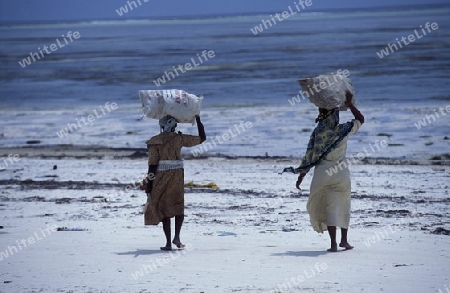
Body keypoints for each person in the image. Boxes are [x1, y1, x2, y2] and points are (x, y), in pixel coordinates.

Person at [282, 91, 364, 252]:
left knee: (328, 207)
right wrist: (350, 104)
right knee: (343, 204)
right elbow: (361, 119)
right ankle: (344, 241)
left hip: (322, 174)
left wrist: (301, 175)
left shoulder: (318, 133)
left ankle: (333, 244)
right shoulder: (343, 130)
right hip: (341, 173)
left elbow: (309, 156)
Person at [144, 114, 206, 251]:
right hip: (177, 174)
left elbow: (152, 165)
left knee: (163, 206)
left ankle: (167, 243)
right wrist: (198, 120)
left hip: (161, 176)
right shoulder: (179, 138)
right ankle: (177, 237)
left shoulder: (155, 141)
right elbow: (202, 138)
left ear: (161, 125)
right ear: (174, 125)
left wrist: (149, 184)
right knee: (178, 204)